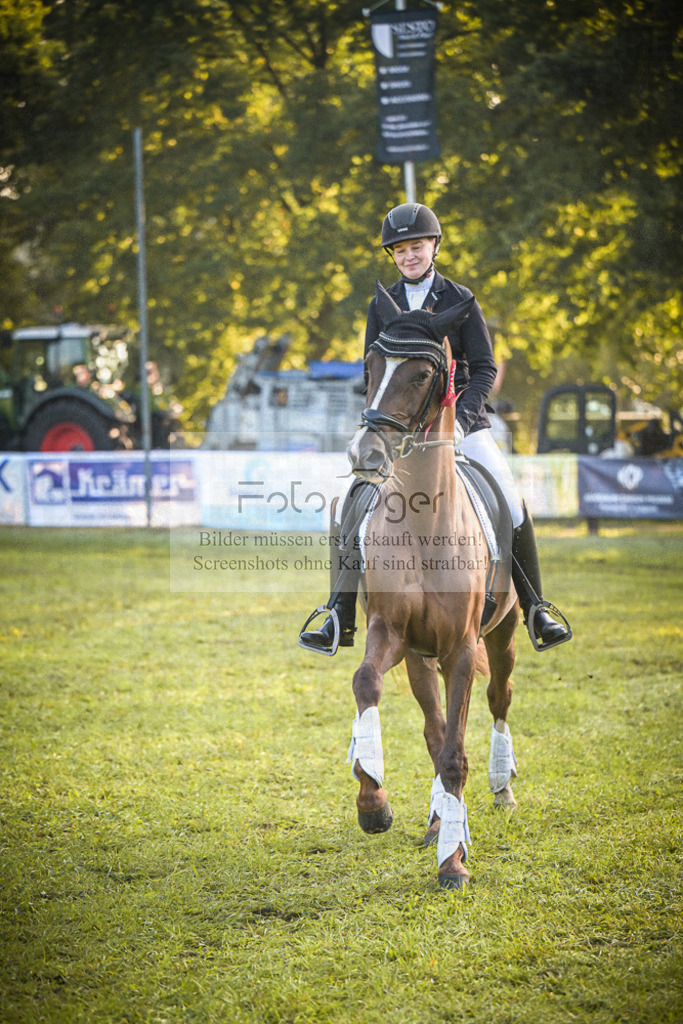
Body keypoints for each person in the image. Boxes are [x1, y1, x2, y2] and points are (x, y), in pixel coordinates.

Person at [299, 202, 571, 655]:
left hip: (461, 424)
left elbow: (482, 368)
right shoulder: (381, 304)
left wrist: (462, 420)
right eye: (400, 250)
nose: (409, 256)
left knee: (511, 499)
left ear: (434, 246)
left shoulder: (460, 299)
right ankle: (337, 613)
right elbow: (374, 368)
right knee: (351, 501)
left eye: (417, 246)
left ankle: (536, 607)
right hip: (402, 430)